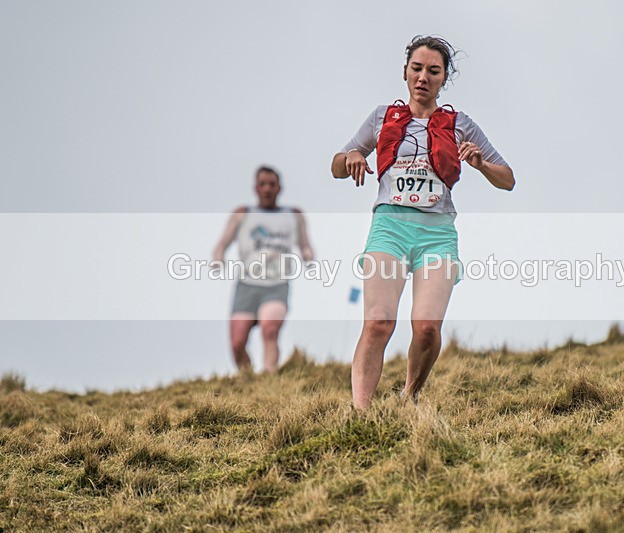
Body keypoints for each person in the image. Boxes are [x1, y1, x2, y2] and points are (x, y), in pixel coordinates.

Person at [331, 35, 515, 408]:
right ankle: (360, 414)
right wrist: (351, 155)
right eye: (417, 69)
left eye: (433, 71)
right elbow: (336, 165)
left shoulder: (460, 123)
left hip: (437, 234)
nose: (423, 77)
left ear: (443, 79)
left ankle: (408, 396)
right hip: (390, 228)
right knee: (379, 323)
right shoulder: (382, 117)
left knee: (427, 329)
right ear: (405, 72)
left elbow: (508, 179)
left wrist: (480, 165)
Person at [213, 166, 313, 373]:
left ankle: (269, 376)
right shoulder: (243, 214)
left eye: (272, 185)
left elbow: (305, 244)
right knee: (237, 342)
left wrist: (308, 256)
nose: (267, 189)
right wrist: (218, 257)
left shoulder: (294, 215)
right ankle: (247, 378)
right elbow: (223, 242)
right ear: (255, 188)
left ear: (279, 188)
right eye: (262, 184)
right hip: (247, 285)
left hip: (277, 285)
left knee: (270, 330)